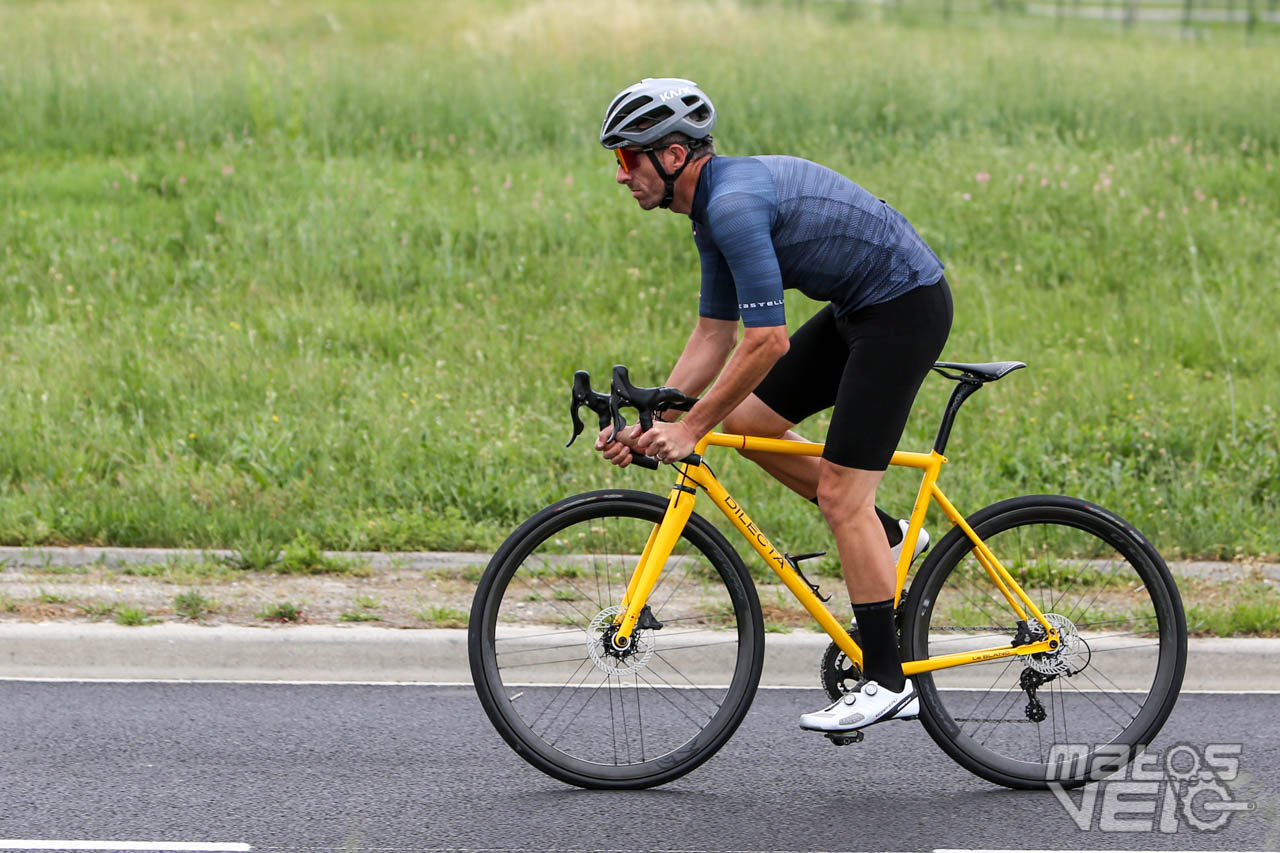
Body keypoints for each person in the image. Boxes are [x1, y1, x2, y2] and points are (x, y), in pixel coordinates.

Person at [593, 78, 952, 733]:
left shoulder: (731, 206)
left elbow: (767, 341)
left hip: (903, 311)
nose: (620, 176)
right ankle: (892, 535)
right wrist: (657, 426)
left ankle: (887, 679)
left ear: (672, 156)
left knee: (845, 496)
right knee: (752, 422)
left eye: (626, 158)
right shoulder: (709, 214)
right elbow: (715, 335)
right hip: (859, 309)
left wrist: (691, 426)